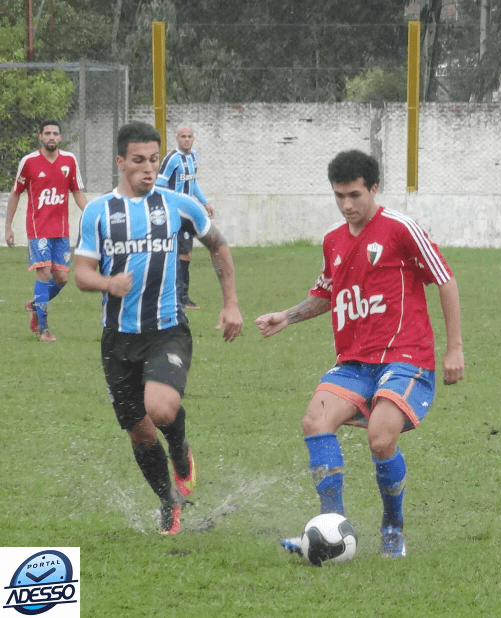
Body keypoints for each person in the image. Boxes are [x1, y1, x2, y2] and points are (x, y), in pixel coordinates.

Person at [255, 149, 464, 558]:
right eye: (339, 196)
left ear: (373, 188)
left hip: (406, 357)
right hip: (354, 362)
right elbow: (326, 293)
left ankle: (393, 528)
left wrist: (454, 349)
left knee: (380, 439)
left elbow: (445, 280)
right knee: (315, 420)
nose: (347, 205)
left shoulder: (401, 230)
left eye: (355, 195)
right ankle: (331, 526)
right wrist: (288, 316)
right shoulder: (332, 240)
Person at [74, 122, 243, 535]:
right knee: (139, 432)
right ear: (120, 162)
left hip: (166, 329)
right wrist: (107, 283)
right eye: (138, 161)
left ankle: (181, 452)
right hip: (117, 340)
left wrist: (231, 303)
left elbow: (218, 245)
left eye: (153, 159)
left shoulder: (178, 205)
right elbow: (81, 273)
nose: (148, 169)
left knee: (161, 409)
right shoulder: (99, 211)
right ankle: (169, 502)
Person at [5, 119, 88, 342]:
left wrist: (91, 214)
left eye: (55, 133)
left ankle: (34, 305)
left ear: (60, 137)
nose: (52, 137)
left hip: (61, 230)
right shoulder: (29, 162)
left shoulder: (69, 160)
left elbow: (77, 191)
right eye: (47, 133)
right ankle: (44, 329)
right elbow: (15, 193)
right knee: (44, 273)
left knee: (61, 278)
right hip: (38, 229)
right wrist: (8, 226)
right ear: (40, 136)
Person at [156, 126, 215, 310]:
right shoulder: (172, 159)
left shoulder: (193, 157)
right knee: (182, 254)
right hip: (175, 214)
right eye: (183, 136)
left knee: (182, 254)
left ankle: (178, 296)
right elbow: (159, 184)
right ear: (177, 138)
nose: (187, 139)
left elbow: (193, 182)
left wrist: (205, 203)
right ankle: (181, 298)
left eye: (190, 136)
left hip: (188, 213)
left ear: (193, 138)